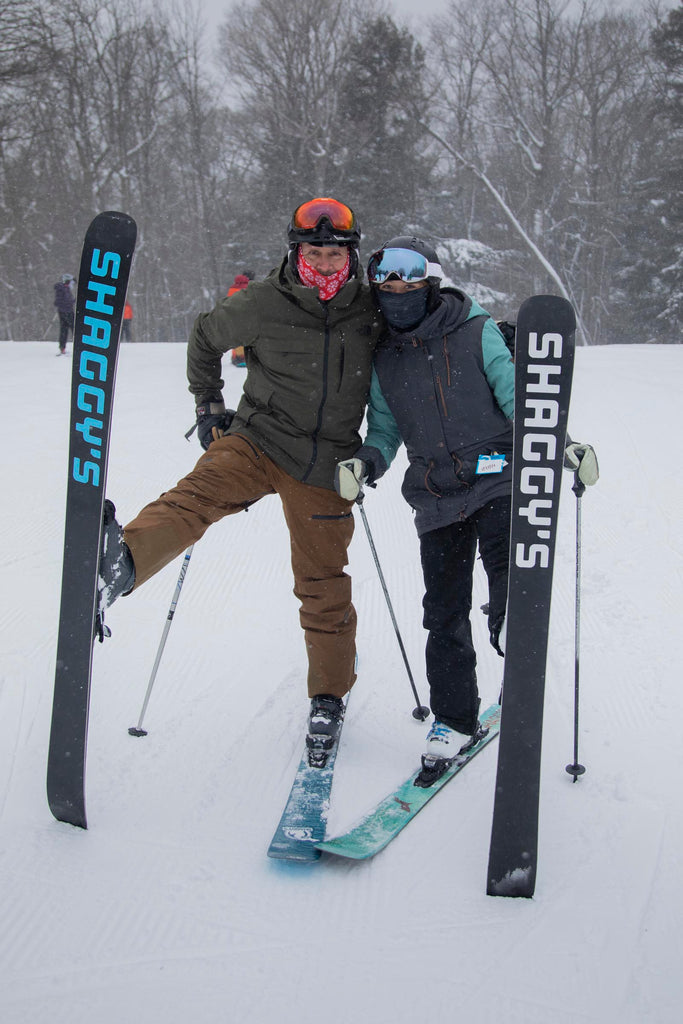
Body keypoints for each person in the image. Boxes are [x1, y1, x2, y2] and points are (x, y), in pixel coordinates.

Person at [98, 198, 383, 762]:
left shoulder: (372, 310)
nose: (324, 267)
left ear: (351, 256)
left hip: (326, 465)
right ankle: (118, 566)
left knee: (323, 582)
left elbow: (428, 332)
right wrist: (209, 406)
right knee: (195, 497)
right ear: (295, 251)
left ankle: (328, 698)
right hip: (257, 438)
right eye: (314, 254)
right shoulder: (262, 302)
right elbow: (204, 338)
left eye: (334, 256)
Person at [334, 237, 599, 780]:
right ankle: (454, 720)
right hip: (436, 494)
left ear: (431, 279)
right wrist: (365, 463)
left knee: (506, 567)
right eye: (384, 275)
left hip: (499, 476)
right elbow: (385, 431)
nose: (397, 285)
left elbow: (520, 399)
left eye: (409, 274)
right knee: (444, 612)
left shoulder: (477, 331)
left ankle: (512, 627)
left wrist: (562, 444)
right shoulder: (383, 355)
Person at [226, 271, 254, 367]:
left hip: (233, 316)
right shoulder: (248, 287)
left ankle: (236, 358)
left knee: (236, 339)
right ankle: (244, 358)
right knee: (247, 338)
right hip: (245, 317)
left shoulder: (232, 288)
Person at [54, 273, 75, 354]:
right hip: (66, 312)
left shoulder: (65, 289)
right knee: (70, 329)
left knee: (65, 329)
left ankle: (62, 347)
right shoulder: (62, 289)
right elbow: (58, 301)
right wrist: (70, 302)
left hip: (66, 310)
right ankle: (62, 348)